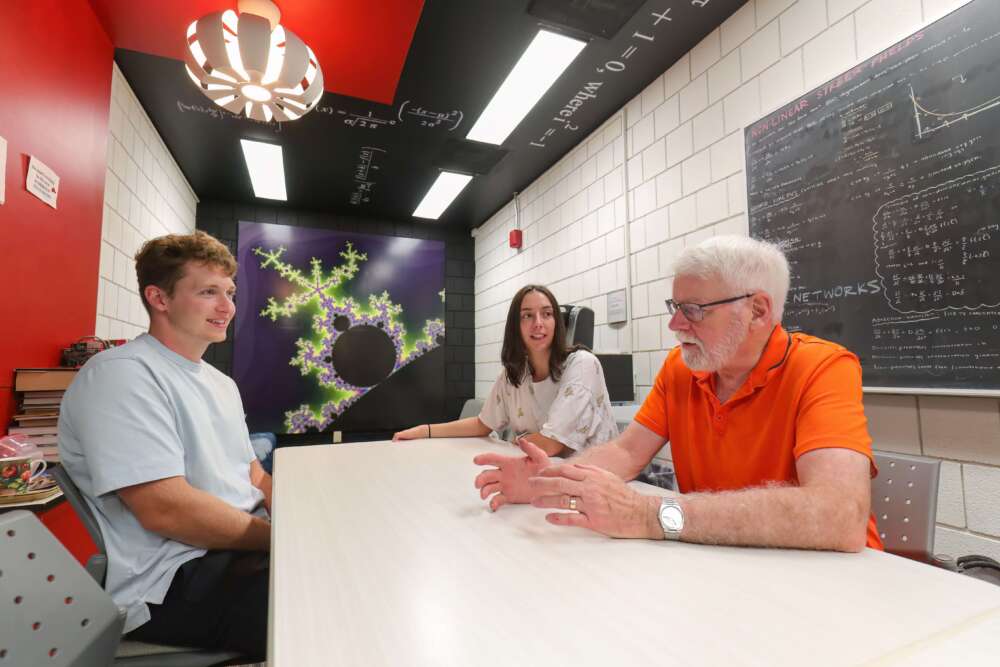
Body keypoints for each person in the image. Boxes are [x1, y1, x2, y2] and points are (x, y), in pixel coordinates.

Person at [474, 235, 883, 552]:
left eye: (694, 309)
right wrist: (548, 480)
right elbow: (626, 453)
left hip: (829, 584)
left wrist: (650, 515)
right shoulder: (681, 367)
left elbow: (839, 516)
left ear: (758, 311)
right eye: (676, 305)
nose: (675, 324)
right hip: (720, 564)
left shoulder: (823, 368)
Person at [58, 230, 271, 659]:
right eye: (208, 292)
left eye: (229, 292)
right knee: (336, 601)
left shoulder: (220, 383)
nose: (227, 307)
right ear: (159, 298)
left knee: (347, 565)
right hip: (174, 579)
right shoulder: (122, 375)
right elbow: (164, 508)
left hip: (232, 551)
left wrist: (305, 519)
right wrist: (281, 540)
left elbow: (252, 474)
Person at [394, 285, 618, 458]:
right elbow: (483, 424)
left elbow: (551, 443)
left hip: (597, 482)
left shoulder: (582, 365)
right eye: (527, 315)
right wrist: (425, 431)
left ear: (557, 323)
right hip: (546, 478)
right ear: (515, 326)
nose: (538, 323)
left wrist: (513, 443)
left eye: (547, 314)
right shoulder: (514, 376)